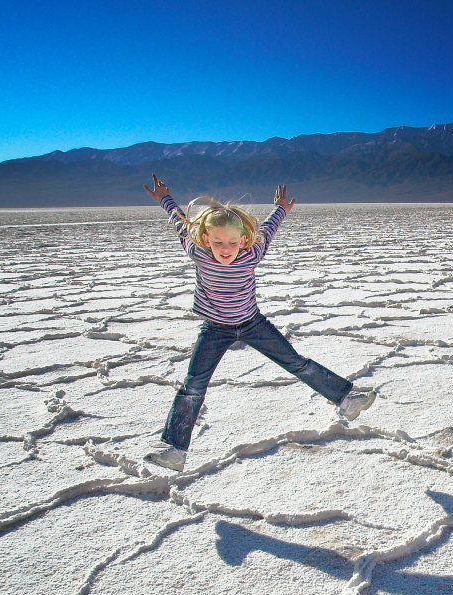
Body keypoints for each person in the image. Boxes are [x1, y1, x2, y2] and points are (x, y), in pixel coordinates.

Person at [142, 174, 375, 472]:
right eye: (217, 242)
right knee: (193, 386)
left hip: (252, 323)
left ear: (243, 240)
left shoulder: (251, 253)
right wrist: (164, 198)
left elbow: (268, 228)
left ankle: (346, 399)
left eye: (232, 242)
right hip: (215, 328)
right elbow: (180, 222)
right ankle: (175, 450)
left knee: (296, 362)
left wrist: (281, 208)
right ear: (205, 239)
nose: (225, 248)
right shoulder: (197, 252)